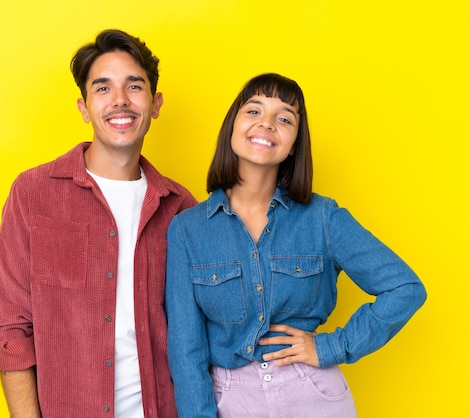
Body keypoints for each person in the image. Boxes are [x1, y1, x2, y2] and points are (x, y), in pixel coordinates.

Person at [165, 73, 427, 417]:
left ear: (294, 144)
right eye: (254, 111)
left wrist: (332, 346)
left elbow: (406, 288)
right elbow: (186, 349)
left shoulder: (323, 217)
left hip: (313, 394)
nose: (267, 124)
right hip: (230, 399)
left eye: (284, 118)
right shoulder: (188, 230)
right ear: (232, 126)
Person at [0, 29, 196, 418]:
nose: (120, 101)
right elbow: (10, 327)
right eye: (103, 88)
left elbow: (202, 329)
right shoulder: (33, 194)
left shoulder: (181, 207)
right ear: (83, 107)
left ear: (155, 103)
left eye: (134, 86)